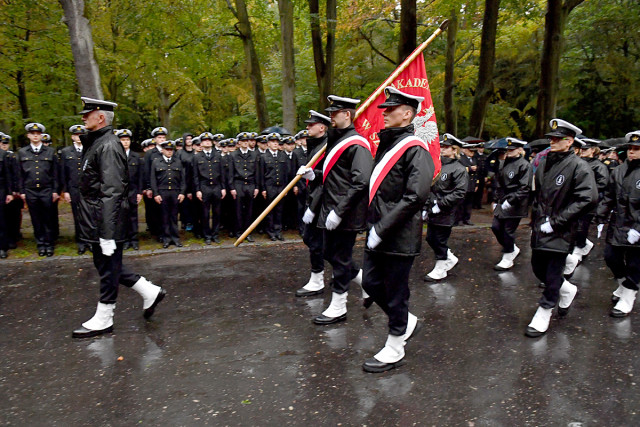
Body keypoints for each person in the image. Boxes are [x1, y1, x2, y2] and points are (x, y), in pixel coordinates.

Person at [72, 97, 165, 339]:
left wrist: (107, 232)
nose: (83, 117)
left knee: (107, 269)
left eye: (87, 114)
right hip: (96, 218)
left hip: (104, 220)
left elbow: (112, 191)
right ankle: (149, 291)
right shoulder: (98, 143)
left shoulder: (108, 146)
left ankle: (104, 317)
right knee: (107, 266)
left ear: (100, 117)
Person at [359, 87, 434, 372]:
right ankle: (406, 322)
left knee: (395, 291)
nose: (385, 113)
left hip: (399, 234)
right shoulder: (387, 144)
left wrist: (383, 227)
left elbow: (415, 196)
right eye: (385, 109)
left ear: (407, 113)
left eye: (391, 109)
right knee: (370, 283)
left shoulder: (414, 149)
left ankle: (395, 344)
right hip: (378, 229)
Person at [525, 119, 597, 338]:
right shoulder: (545, 161)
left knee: (554, 269)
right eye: (551, 138)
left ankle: (545, 309)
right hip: (541, 227)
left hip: (562, 229)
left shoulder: (579, 166)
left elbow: (588, 198)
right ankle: (566, 289)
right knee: (538, 267)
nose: (553, 142)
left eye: (558, 139)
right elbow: (537, 192)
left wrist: (556, 222)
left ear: (570, 142)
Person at [313, 95, 373, 325]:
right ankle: (366, 284)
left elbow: (360, 181)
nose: (330, 117)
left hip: (345, 213)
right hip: (330, 209)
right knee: (329, 253)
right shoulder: (337, 139)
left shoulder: (357, 144)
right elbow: (336, 177)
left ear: (347, 114)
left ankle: (339, 305)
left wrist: (339, 211)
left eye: (334, 113)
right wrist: (314, 175)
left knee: (340, 258)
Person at [595, 130, 640, 317]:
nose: (632, 152)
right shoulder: (619, 170)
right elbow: (609, 196)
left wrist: (638, 229)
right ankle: (623, 283)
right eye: (630, 148)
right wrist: (599, 217)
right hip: (618, 223)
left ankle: (629, 293)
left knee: (635, 263)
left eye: (636, 149)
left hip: (636, 226)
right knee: (610, 256)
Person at [295, 111, 331, 296]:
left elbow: (331, 177)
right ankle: (353, 274)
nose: (307, 127)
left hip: (324, 202)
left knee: (317, 241)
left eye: (311, 125)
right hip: (313, 198)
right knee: (313, 240)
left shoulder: (328, 146)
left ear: (322, 127)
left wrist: (313, 206)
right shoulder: (315, 144)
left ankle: (317, 280)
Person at [424, 134, 467, 281]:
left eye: (446, 147)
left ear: (455, 150)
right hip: (433, 209)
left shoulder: (459, 169)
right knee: (430, 238)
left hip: (447, 211)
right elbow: (429, 187)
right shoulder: (437, 165)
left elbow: (460, 192)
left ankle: (441, 267)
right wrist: (426, 207)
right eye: (441, 146)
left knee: (440, 240)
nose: (442, 149)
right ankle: (448, 257)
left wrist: (441, 204)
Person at [563, 136, 610, 276]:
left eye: (586, 149)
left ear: (593, 150)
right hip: (575, 200)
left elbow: (603, 184)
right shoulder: (578, 163)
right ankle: (580, 244)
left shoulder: (599, 166)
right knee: (573, 225)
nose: (583, 151)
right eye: (582, 148)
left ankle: (580, 247)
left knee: (582, 226)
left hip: (589, 201)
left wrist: (587, 188)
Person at [18, 123, 59, 257]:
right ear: (28, 136)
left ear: (41, 135)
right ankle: (40, 244)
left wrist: (55, 190)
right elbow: (19, 174)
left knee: (48, 218)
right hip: (30, 190)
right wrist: (22, 191)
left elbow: (55, 173)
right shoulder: (22, 152)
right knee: (36, 219)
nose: (35, 136)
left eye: (38, 134)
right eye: (33, 134)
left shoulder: (50, 152)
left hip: (46, 189)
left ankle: (49, 244)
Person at [491, 138, 531, 271]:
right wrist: (496, 200)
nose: (509, 152)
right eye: (508, 149)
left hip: (516, 204)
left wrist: (511, 201)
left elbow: (524, 187)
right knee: (496, 227)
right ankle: (511, 248)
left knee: (508, 230)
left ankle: (508, 256)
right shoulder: (504, 163)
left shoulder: (524, 165)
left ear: (520, 150)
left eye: (512, 149)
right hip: (503, 201)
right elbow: (498, 183)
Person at [60, 125, 90, 254]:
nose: (79, 137)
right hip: (74, 189)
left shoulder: (91, 150)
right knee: (77, 216)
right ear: (72, 137)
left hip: (89, 189)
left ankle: (90, 241)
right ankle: (81, 242)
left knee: (90, 216)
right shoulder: (66, 152)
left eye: (81, 135)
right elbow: (63, 173)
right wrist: (65, 191)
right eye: (76, 135)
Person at [193, 132, 227, 244]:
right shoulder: (197, 157)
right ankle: (207, 235)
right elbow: (195, 175)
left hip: (217, 186)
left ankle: (215, 234)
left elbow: (222, 173)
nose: (207, 142)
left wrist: (223, 187)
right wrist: (197, 190)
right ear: (201, 143)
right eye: (204, 140)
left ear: (212, 142)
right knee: (205, 213)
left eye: (209, 140)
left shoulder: (218, 155)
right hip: (204, 187)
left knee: (217, 212)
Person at [151, 140, 186, 248]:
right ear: (162, 150)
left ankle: (175, 238)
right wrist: (156, 194)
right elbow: (153, 179)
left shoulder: (177, 162)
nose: (169, 152)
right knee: (164, 217)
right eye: (167, 150)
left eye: (171, 150)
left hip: (175, 192)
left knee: (174, 216)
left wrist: (182, 192)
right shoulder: (156, 162)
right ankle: (166, 239)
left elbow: (183, 180)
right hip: (163, 192)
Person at [229, 132, 261, 242]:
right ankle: (238, 232)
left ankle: (248, 232)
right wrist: (232, 187)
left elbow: (257, 172)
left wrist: (257, 187)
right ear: (239, 143)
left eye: (246, 141)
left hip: (251, 184)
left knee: (249, 210)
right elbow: (231, 173)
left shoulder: (254, 155)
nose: (245, 143)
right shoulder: (233, 155)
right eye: (243, 141)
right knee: (238, 210)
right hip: (238, 184)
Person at [260, 133, 289, 241]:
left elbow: (286, 173)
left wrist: (286, 187)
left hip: (280, 186)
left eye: (277, 142)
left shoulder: (283, 156)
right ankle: (270, 231)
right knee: (270, 210)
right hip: (269, 186)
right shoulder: (263, 157)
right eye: (273, 142)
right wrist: (263, 188)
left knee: (279, 210)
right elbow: (261, 174)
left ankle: (278, 230)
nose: (275, 144)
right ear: (268, 144)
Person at [117, 129, 143, 250]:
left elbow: (140, 176)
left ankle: (134, 239)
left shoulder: (136, 156)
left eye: (127, 140)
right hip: (120, 192)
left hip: (133, 191)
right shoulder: (114, 156)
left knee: (133, 217)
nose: (125, 142)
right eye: (123, 140)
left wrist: (139, 192)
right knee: (122, 217)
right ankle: (125, 239)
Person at [456, 141, 479, 225]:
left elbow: (477, 173)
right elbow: (459, 170)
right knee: (461, 203)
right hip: (464, 183)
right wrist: (469, 168)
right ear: (465, 150)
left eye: (473, 151)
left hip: (471, 184)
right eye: (470, 151)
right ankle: (459, 219)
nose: (472, 153)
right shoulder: (460, 158)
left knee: (469, 203)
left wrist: (476, 184)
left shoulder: (474, 159)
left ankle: (467, 218)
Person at [0, 133, 14, 259]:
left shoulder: (3, 155)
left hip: (1, 190)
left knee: (1, 220)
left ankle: (2, 247)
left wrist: (9, 192)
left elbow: (8, 175)